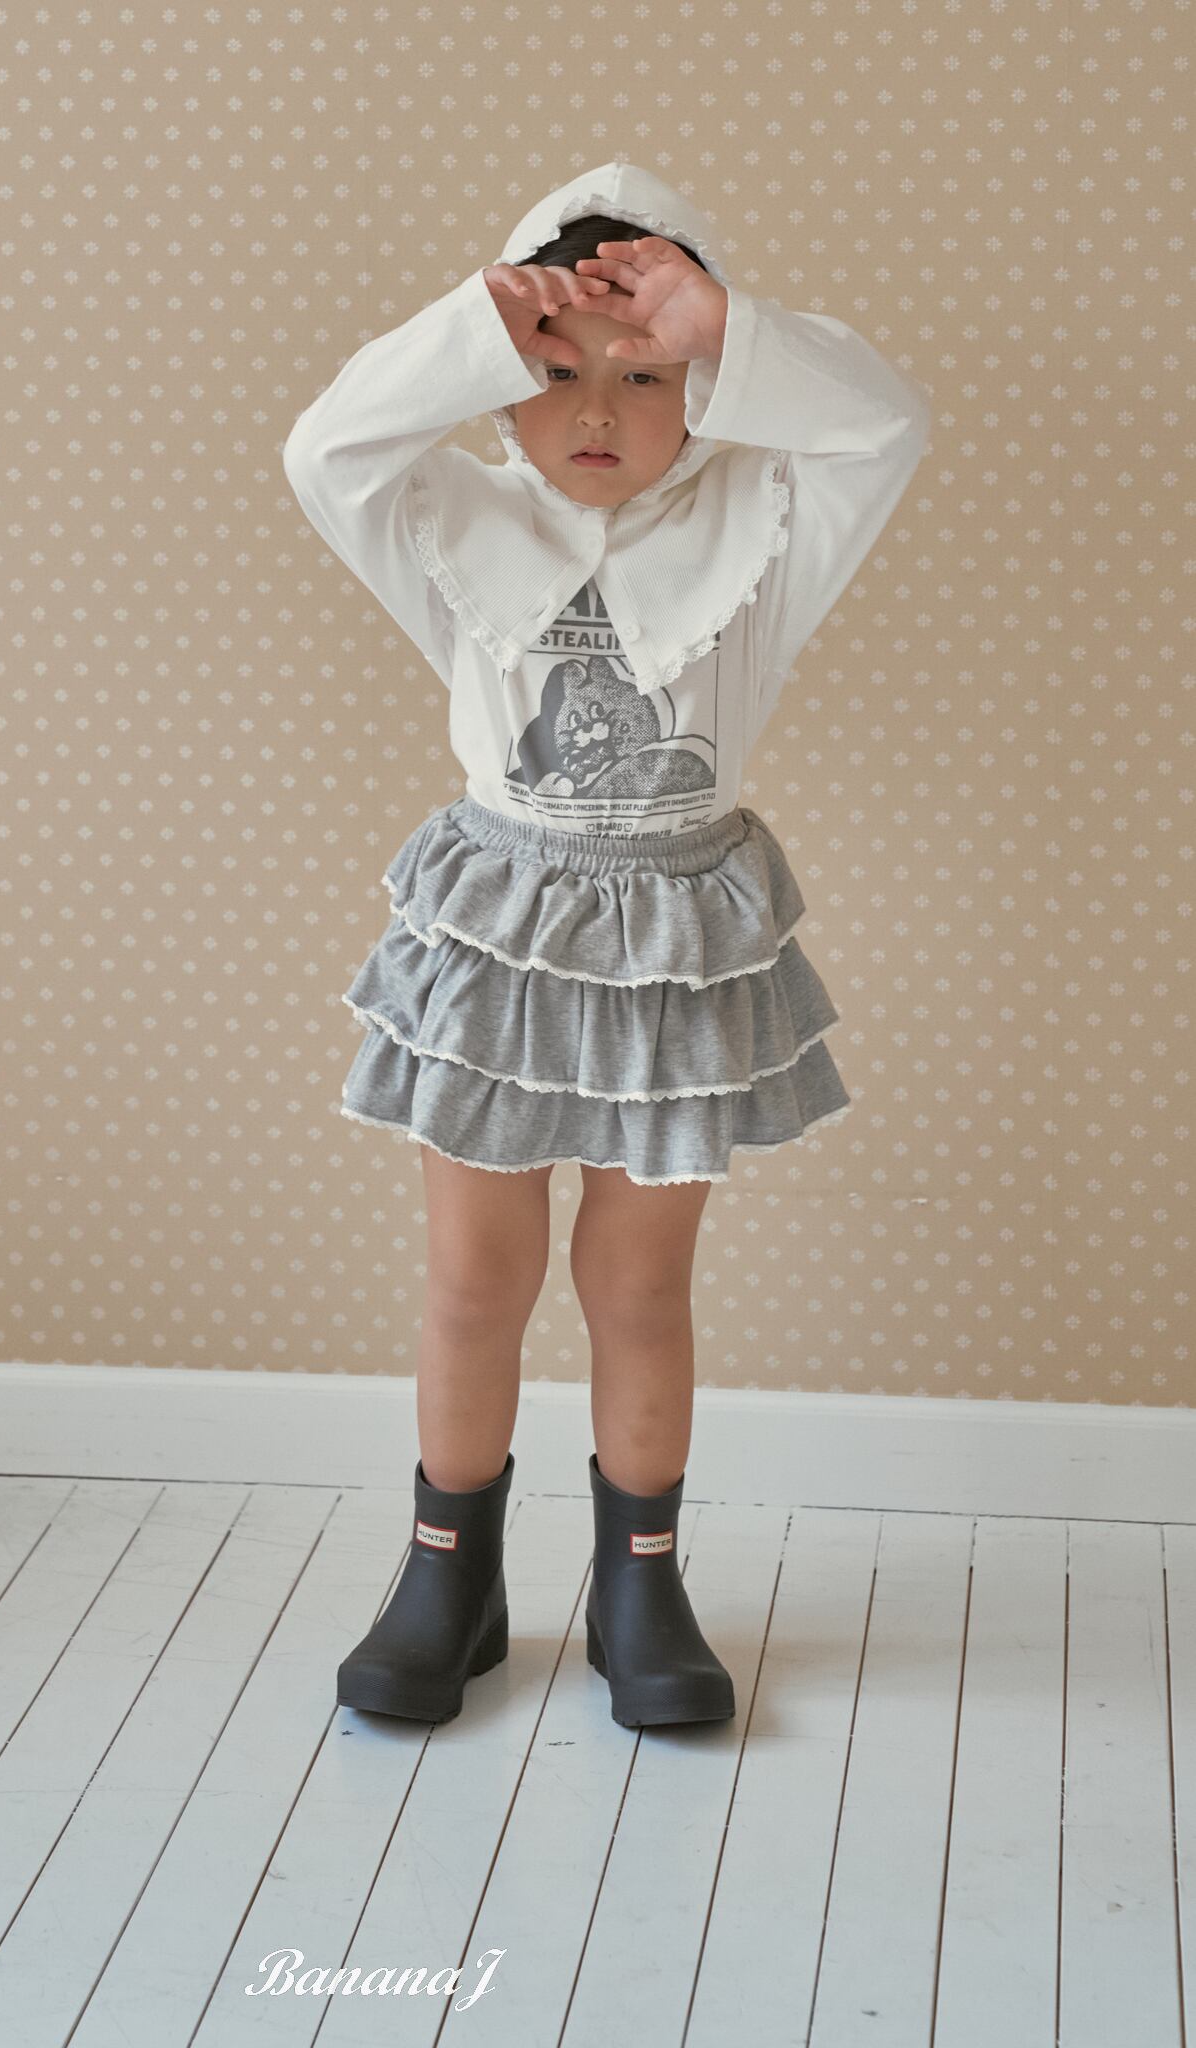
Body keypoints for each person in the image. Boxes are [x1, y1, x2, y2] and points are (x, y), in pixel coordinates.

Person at [281, 158, 932, 1730]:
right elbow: (324, 447)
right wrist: (477, 322)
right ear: (501, 387)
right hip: (497, 930)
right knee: (472, 1280)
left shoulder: (766, 523)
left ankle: (640, 1585)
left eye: (642, 376)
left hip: (678, 941)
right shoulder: (447, 516)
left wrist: (720, 324)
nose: (596, 409)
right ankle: (447, 1578)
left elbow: (880, 424)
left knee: (637, 1289)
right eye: (556, 372)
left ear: (701, 394)